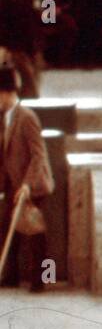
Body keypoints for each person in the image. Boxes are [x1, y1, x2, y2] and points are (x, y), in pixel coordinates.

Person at [0, 68, 52, 293]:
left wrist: (27, 185)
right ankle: (11, 275)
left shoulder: (27, 117)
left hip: (33, 185)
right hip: (14, 183)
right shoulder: (5, 118)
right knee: (8, 227)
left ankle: (40, 280)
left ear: (6, 93)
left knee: (33, 231)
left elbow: (38, 154)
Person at [0, 0, 43, 98]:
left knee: (33, 85)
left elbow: (50, 20)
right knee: (30, 87)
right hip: (16, 47)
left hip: (33, 46)